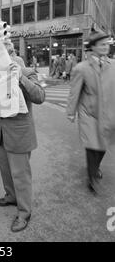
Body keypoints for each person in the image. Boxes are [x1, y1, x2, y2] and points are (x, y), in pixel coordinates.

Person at [0, 41, 46, 232]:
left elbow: (40, 96)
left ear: (15, 53)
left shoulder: (26, 71)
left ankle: (24, 212)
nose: (7, 56)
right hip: (3, 132)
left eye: (10, 52)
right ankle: (10, 197)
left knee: (20, 175)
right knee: (5, 170)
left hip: (20, 133)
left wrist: (20, 78)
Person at [67, 29, 115, 193]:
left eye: (106, 45)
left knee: (102, 145)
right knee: (91, 145)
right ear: (93, 47)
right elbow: (74, 92)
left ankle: (95, 167)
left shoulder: (113, 65)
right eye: (101, 45)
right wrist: (70, 112)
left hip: (108, 112)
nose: (104, 47)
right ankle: (92, 177)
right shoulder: (81, 68)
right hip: (89, 113)